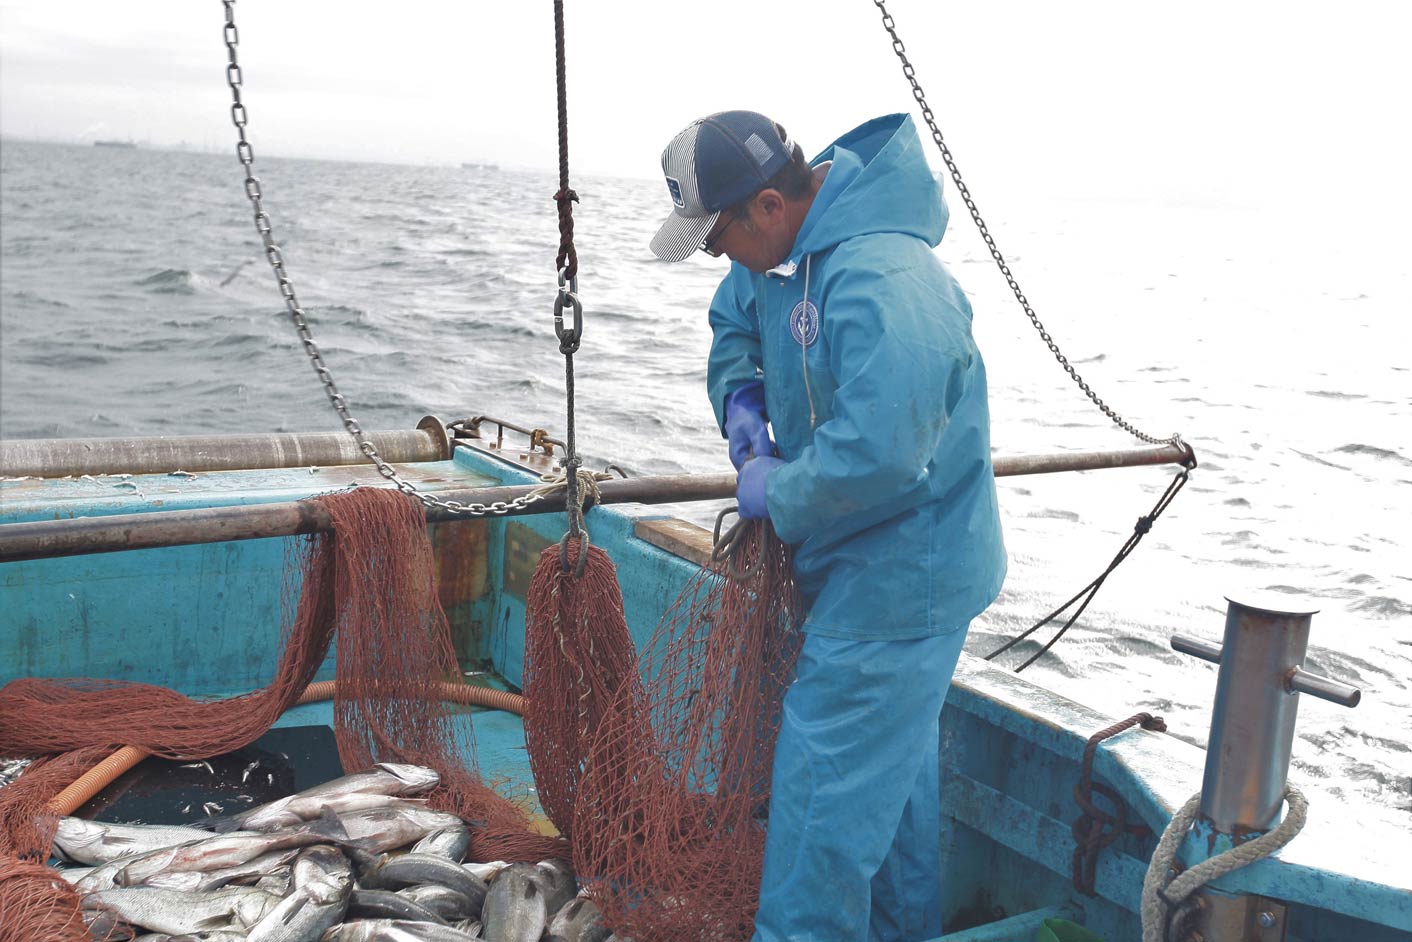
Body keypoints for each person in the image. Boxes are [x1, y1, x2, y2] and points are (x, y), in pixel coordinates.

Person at [649, 109, 1008, 942]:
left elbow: (883, 453)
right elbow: (737, 318)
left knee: (821, 804)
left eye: (715, 237)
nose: (716, 255)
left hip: (902, 575)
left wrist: (785, 491)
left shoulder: (888, 280)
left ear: (768, 205)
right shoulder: (778, 261)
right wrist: (740, 404)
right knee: (891, 780)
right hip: (844, 558)